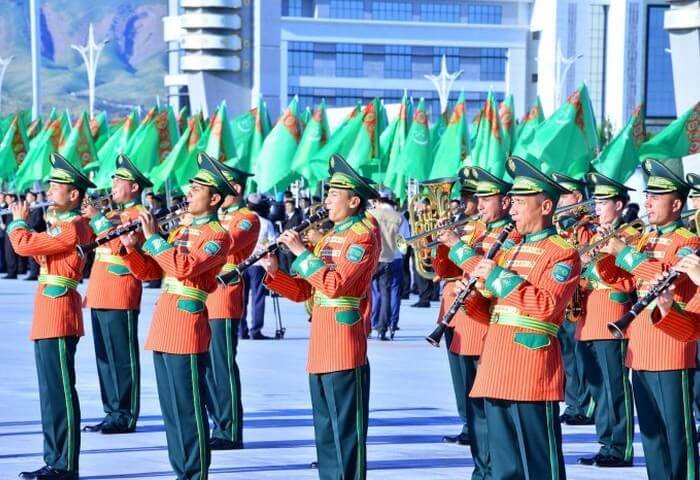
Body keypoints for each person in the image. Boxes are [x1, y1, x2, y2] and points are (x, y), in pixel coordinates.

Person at [260, 154, 380, 479]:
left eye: (333, 195)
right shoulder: (331, 236)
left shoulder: (362, 236)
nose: (326, 201)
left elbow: (335, 284)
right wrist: (275, 272)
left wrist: (300, 252)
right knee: (326, 433)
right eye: (328, 194)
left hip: (343, 343)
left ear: (354, 201)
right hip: (321, 344)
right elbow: (306, 291)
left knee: (345, 435)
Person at [463, 156, 580, 479]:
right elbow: (493, 312)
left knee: (538, 465)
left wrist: (498, 278)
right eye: (511, 202)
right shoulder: (509, 248)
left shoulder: (562, 252)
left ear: (545, 207)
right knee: (505, 467)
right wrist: (471, 297)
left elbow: (545, 306)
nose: (511, 209)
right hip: (496, 365)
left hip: (530, 369)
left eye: (519, 202)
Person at [118, 153, 233, 480]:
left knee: (189, 409)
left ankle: (194, 473)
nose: (189, 192)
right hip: (165, 322)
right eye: (191, 186)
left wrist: (154, 239)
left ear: (213, 198)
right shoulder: (182, 230)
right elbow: (151, 272)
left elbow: (184, 268)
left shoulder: (217, 235)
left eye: (196, 188)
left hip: (187, 325)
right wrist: (133, 249)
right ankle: (181, 470)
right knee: (171, 410)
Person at [598, 159, 700, 480]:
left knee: (677, 436)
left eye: (657, 196)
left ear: (677, 203)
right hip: (640, 347)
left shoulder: (688, 241)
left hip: (670, 348)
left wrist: (625, 253)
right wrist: (607, 252)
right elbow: (625, 282)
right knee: (652, 438)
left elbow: (663, 278)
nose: (648, 202)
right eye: (649, 195)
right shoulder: (645, 238)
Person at [10, 153, 96, 480]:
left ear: (74, 195)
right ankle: (54, 460)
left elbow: (25, 244)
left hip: (60, 314)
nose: (49, 190)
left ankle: (64, 465)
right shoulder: (63, 223)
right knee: (49, 393)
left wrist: (18, 221)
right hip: (48, 312)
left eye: (56, 186)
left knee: (59, 392)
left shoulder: (74, 227)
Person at [438, 166, 521, 479]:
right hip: (463, 322)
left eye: (487, 198)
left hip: (486, 328)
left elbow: (488, 275)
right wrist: (445, 243)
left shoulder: (511, 237)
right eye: (479, 198)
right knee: (473, 413)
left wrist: (459, 247)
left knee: (490, 412)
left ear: (504, 201)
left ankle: (493, 470)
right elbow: (446, 270)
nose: (480, 204)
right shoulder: (474, 230)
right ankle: (482, 468)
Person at [79, 154, 151, 435]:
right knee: (105, 358)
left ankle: (125, 414)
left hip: (121, 291)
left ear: (134, 187)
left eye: (119, 180)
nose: (113, 184)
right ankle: (112, 411)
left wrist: (96, 218)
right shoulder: (109, 214)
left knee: (122, 358)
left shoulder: (139, 216)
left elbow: (117, 243)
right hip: (100, 290)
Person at [574, 172, 637, 467]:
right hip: (588, 316)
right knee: (598, 387)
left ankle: (620, 447)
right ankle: (605, 442)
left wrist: (597, 261)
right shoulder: (589, 234)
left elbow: (629, 282)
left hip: (613, 315)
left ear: (620, 205)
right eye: (596, 201)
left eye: (604, 202)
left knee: (616, 386)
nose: (597, 206)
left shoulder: (631, 236)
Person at [204, 163, 259, 450]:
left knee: (221, 366)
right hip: (202, 295)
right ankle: (216, 422)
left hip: (224, 296)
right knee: (206, 369)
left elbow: (228, 243)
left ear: (235, 189)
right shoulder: (216, 218)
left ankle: (229, 429)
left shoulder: (247, 218)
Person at [551, 172, 596, 426]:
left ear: (577, 197)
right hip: (565, 298)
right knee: (566, 353)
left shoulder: (586, 227)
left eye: (564, 195)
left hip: (584, 298)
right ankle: (573, 402)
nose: (559, 201)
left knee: (581, 355)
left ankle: (585, 405)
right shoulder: (561, 225)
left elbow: (590, 258)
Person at [240, 193, 277, 340]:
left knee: (241, 298)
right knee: (258, 297)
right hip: (259, 263)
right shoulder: (266, 223)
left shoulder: (241, 221)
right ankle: (255, 330)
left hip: (242, 263)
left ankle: (241, 330)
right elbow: (272, 244)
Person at [368, 190, 403, 340]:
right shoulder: (398, 217)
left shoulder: (372, 214)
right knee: (386, 294)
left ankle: (367, 326)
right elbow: (402, 241)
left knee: (366, 293)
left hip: (374, 258)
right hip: (389, 258)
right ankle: (383, 329)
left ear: (378, 200)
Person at [24, 190, 47, 281]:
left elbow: (38, 221)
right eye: (27, 196)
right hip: (30, 232)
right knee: (31, 254)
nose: (27, 198)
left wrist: (31, 228)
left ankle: (34, 273)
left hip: (37, 232)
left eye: (29, 196)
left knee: (35, 254)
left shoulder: (39, 206)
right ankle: (33, 272)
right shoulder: (30, 207)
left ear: (34, 197)